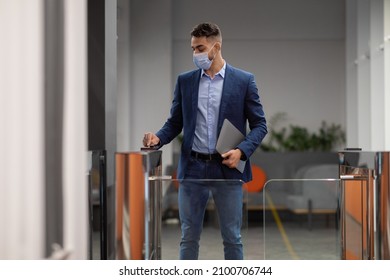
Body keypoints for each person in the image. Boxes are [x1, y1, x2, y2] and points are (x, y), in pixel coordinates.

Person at [143, 22, 267, 260]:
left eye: (200, 48)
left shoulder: (244, 81)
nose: (195, 54)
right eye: (193, 49)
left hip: (227, 168)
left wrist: (241, 152)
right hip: (192, 170)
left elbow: (260, 125)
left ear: (216, 47)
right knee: (188, 237)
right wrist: (158, 137)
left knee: (232, 237)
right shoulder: (185, 81)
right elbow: (175, 122)